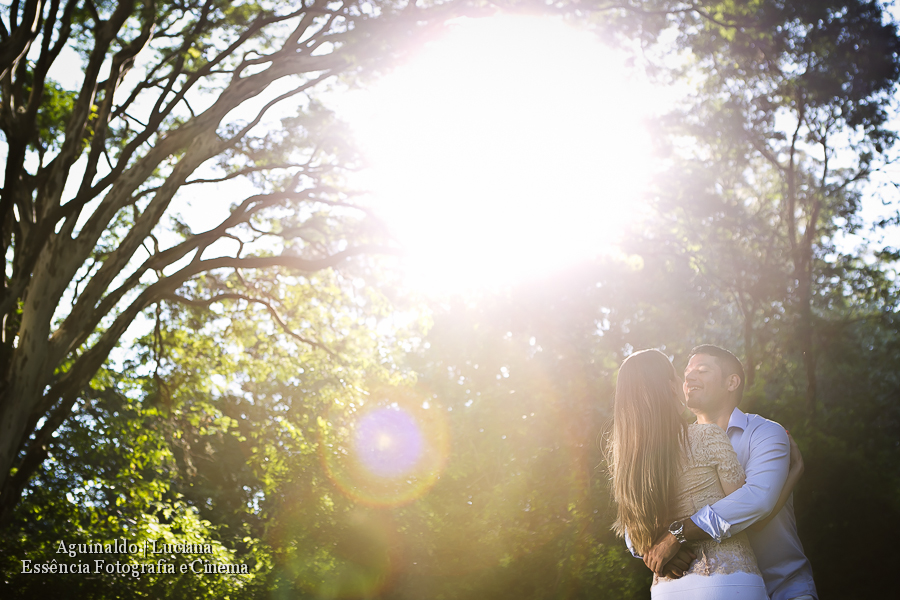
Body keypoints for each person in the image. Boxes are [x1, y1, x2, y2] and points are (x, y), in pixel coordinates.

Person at [641, 345, 817, 600]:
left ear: (732, 382)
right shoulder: (672, 445)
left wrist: (676, 535)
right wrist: (653, 548)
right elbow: (638, 506)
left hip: (783, 587)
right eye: (687, 372)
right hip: (709, 588)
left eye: (702, 370)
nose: (689, 377)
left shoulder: (765, 433)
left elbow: (756, 504)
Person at [608, 348, 767, 599]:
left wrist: (655, 549)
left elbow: (633, 534)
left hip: (668, 588)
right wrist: (794, 475)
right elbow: (744, 508)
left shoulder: (628, 464)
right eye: (677, 376)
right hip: (726, 581)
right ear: (671, 387)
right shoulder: (707, 436)